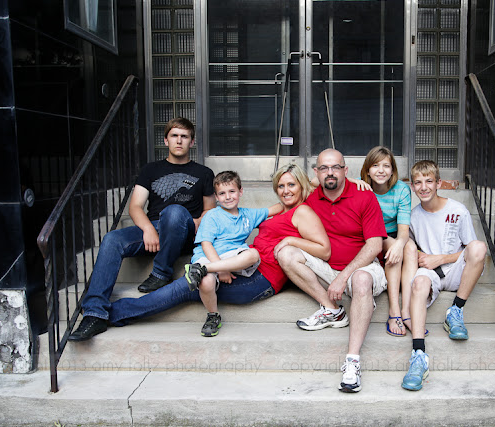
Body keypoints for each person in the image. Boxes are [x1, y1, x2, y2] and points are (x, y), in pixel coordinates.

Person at [71, 164, 330, 335]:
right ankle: (106, 313)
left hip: (261, 280)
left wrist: (291, 240)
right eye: (281, 186)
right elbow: (269, 209)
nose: (286, 191)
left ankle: (110, 315)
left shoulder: (303, 211)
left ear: (302, 186)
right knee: (191, 284)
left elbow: (323, 249)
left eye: (292, 185)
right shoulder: (277, 210)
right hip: (237, 266)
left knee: (186, 286)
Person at [68, 117, 216, 341]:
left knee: (174, 212)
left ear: (191, 142)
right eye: (174, 136)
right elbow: (135, 206)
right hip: (155, 228)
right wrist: (148, 229)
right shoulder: (151, 170)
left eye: (184, 137)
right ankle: (95, 313)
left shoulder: (203, 173)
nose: (179, 141)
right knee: (111, 239)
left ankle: (161, 272)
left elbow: (209, 211)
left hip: (185, 228)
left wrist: (197, 222)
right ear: (165, 140)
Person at [277, 149, 387, 393]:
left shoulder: (364, 197)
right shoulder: (311, 198)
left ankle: (352, 362)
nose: (330, 173)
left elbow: (375, 245)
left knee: (360, 280)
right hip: (327, 268)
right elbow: (288, 191)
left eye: (336, 167)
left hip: (364, 268)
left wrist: (343, 276)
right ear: (316, 172)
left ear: (345, 170)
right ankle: (332, 309)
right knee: (285, 253)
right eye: (324, 168)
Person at [400, 160, 487, 391]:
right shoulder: (413, 216)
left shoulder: (458, 210)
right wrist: (422, 255)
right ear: (413, 186)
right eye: (418, 182)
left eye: (429, 181)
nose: (423, 187)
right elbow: (409, 247)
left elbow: (470, 251)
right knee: (419, 281)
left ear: (438, 183)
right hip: (431, 274)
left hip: (457, 270)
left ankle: (456, 310)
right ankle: (419, 355)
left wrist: (441, 258)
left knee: (479, 247)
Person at [181, 170, 282, 337]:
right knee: (206, 284)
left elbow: (275, 208)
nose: (227, 197)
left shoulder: (248, 215)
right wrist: (220, 270)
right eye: (222, 193)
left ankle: (202, 270)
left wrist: (299, 197)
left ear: (240, 192)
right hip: (207, 256)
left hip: (227, 258)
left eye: (232, 191)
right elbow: (206, 244)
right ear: (216, 197)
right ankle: (213, 316)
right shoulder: (212, 215)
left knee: (253, 254)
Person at [359, 146, 418, 337]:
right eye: (375, 165)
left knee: (409, 247)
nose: (381, 170)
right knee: (395, 245)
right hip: (370, 237)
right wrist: (351, 179)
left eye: (386, 165)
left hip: (394, 235)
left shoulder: (401, 190)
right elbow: (314, 180)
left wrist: (399, 244)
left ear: (393, 170)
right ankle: (394, 310)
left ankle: (406, 310)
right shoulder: (361, 186)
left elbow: (403, 230)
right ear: (367, 169)